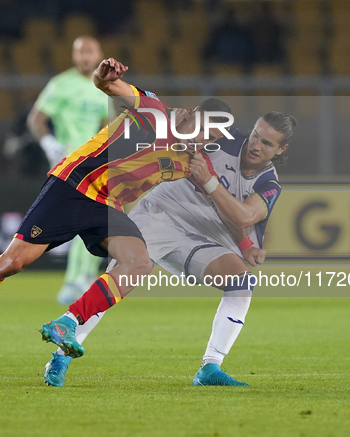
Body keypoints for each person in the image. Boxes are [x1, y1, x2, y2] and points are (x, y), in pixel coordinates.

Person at [0, 57, 228, 359]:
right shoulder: (153, 110)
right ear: (188, 114)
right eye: (202, 132)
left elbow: (220, 201)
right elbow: (106, 84)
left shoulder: (193, 161)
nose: (201, 142)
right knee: (11, 263)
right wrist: (105, 74)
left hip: (106, 206)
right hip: (72, 184)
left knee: (139, 263)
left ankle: (68, 322)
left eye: (209, 140)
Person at [43, 112, 296, 387]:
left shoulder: (269, 183)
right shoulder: (223, 138)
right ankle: (61, 355)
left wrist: (244, 240)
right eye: (256, 134)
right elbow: (181, 126)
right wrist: (182, 130)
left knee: (241, 282)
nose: (256, 145)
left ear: (281, 150)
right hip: (160, 215)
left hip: (201, 236)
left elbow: (244, 216)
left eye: (267, 143)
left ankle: (210, 367)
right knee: (121, 279)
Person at [26, 36, 110, 304]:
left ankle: (82, 278)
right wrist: (49, 144)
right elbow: (36, 120)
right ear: (74, 56)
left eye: (90, 51)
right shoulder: (61, 84)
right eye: (81, 52)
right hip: (68, 163)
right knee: (83, 220)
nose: (85, 57)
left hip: (94, 163)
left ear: (98, 54)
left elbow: (109, 125)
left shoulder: (104, 88)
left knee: (90, 220)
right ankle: (77, 280)